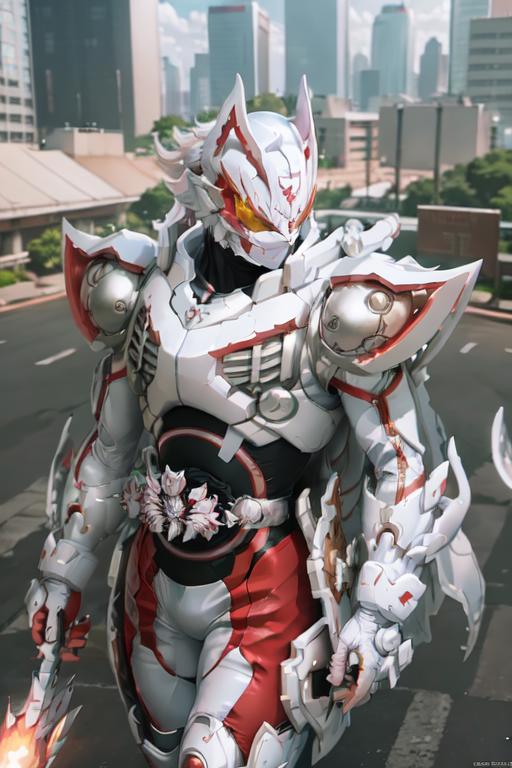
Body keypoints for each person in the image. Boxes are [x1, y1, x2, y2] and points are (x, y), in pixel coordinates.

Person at [25, 75, 485, 768]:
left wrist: (375, 614)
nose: (271, 233)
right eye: (249, 207)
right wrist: (62, 574)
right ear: (213, 193)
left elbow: (401, 462)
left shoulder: (331, 309)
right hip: (153, 581)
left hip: (266, 590)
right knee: (163, 751)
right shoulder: (142, 293)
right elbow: (108, 454)